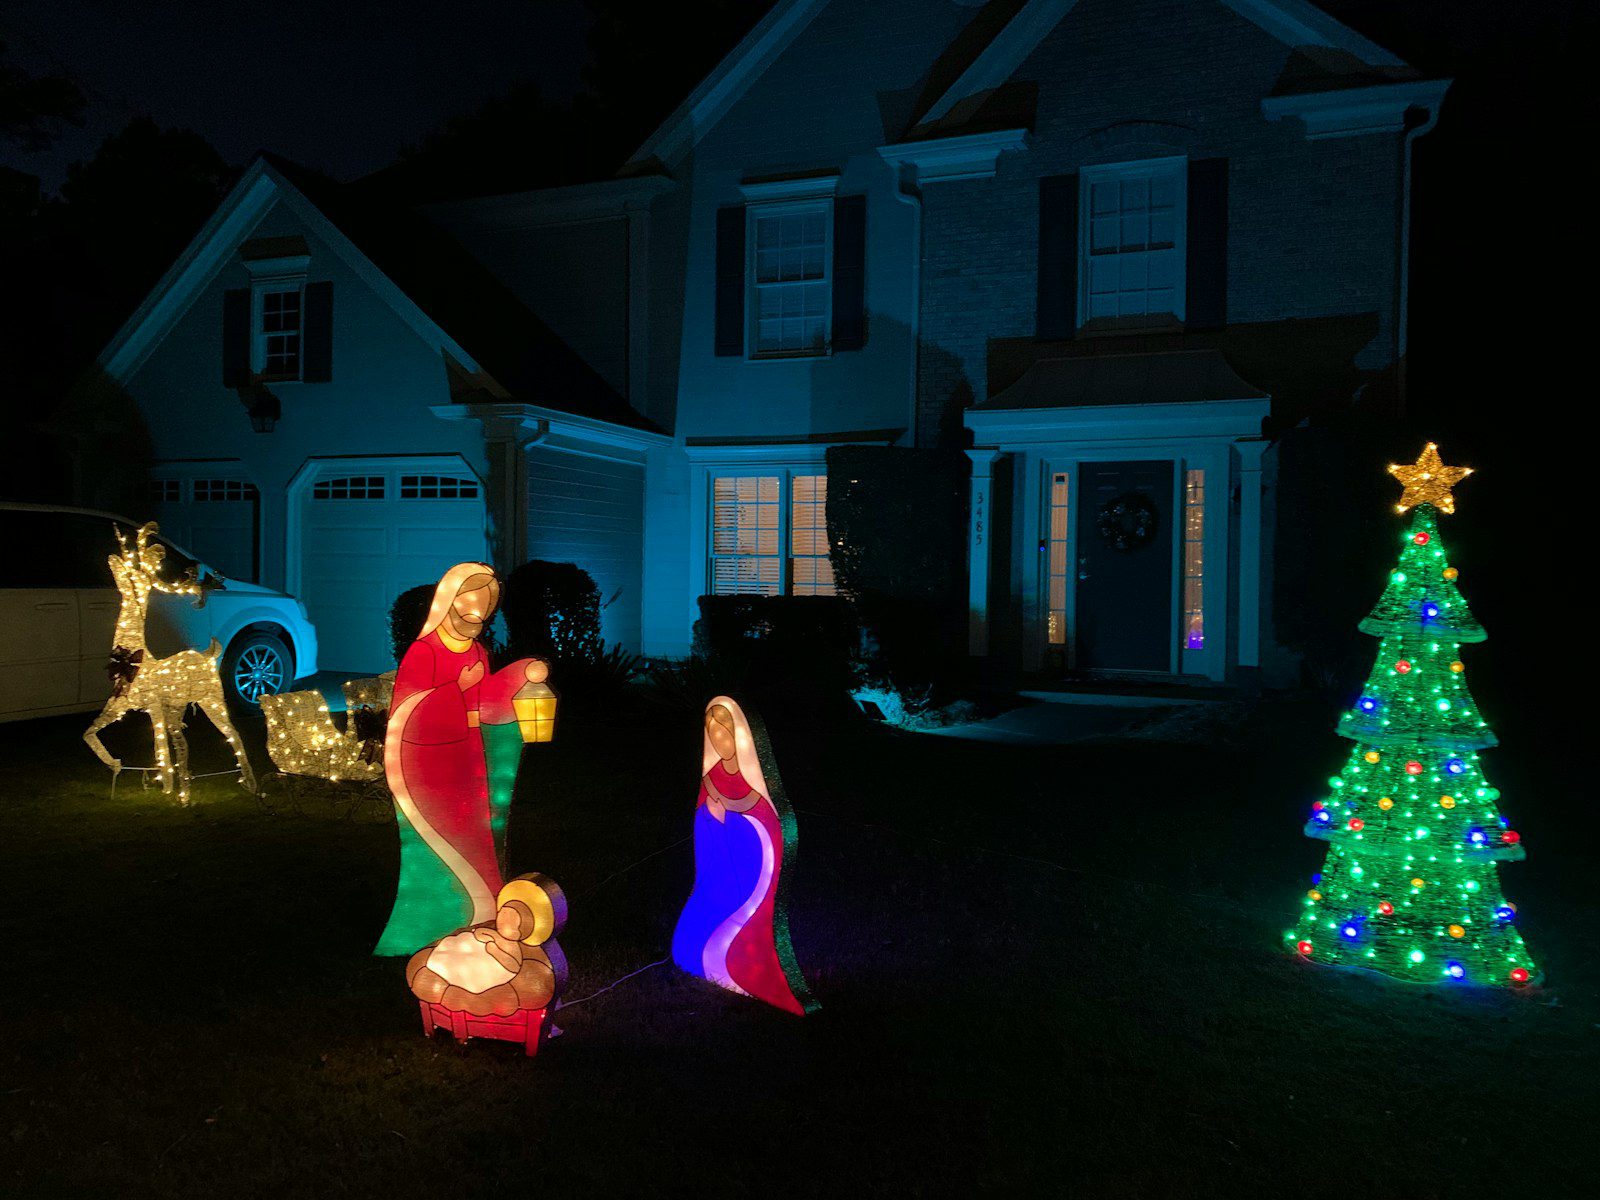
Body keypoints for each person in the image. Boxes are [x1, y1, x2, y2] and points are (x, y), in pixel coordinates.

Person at [373, 563, 546, 956]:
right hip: (427, 763)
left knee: (478, 837)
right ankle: (435, 922)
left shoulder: (479, 651)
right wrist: (457, 689)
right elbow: (410, 709)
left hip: (469, 755)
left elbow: (486, 701)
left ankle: (480, 915)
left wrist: (521, 675)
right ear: (447, 601)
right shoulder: (423, 651)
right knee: (441, 841)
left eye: (483, 607)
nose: (475, 614)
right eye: (468, 602)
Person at [670, 697, 816, 1015]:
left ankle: (742, 966)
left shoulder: (753, 780)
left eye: (723, 733)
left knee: (744, 913)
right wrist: (713, 813)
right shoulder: (711, 777)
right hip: (719, 868)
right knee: (709, 906)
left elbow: (766, 818)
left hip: (751, 865)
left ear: (738, 734)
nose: (718, 741)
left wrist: (733, 812)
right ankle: (699, 955)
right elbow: (705, 817)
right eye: (712, 734)